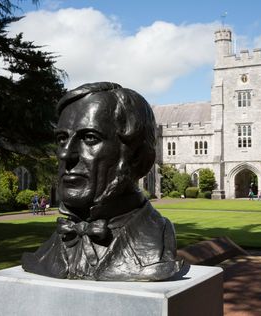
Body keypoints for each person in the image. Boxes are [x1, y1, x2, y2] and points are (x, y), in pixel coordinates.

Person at [22, 82, 182, 281]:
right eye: (62, 138)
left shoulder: (156, 240)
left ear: (137, 156)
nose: (65, 154)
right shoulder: (44, 256)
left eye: (89, 138)